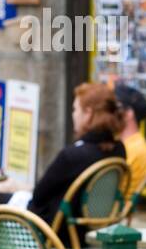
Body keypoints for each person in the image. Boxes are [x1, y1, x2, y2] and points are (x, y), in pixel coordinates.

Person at [26, 82, 127, 229]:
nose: (73, 115)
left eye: (75, 110)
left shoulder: (72, 156)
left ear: (88, 113)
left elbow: (39, 196)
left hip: (62, 232)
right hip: (99, 229)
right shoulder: (120, 150)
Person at [114, 82, 146, 198]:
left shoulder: (135, 149)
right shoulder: (126, 143)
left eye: (115, 106)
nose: (110, 112)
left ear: (129, 114)